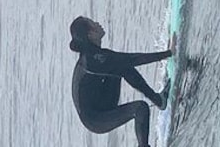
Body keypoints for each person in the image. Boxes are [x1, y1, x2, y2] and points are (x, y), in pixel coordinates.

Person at [69, 16, 172, 147]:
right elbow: (133, 59)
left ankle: (159, 100)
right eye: (93, 23)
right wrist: (168, 54)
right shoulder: (91, 60)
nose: (97, 23)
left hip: (102, 101)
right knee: (140, 108)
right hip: (95, 119)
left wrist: (166, 54)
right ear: (90, 34)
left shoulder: (94, 54)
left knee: (121, 66)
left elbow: (125, 61)